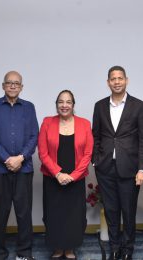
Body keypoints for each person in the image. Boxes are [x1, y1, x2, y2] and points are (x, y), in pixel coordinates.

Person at [92, 65, 143, 260]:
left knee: (128, 211)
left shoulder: (139, 106)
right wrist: (96, 161)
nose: (116, 82)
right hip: (105, 168)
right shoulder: (99, 105)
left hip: (130, 169)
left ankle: (128, 250)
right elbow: (96, 136)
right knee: (111, 211)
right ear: (108, 82)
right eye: (113, 79)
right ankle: (115, 247)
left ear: (126, 80)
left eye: (120, 78)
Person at [0, 71, 39, 260]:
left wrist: (20, 158)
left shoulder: (29, 108)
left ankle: (24, 253)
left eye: (17, 83)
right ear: (3, 85)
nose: (13, 86)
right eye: (9, 83)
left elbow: (34, 136)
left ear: (22, 87)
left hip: (24, 169)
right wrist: (8, 159)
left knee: (24, 214)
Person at [38, 90, 93, 259]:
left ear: (73, 105)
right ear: (56, 105)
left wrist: (74, 175)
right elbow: (42, 152)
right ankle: (57, 247)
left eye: (68, 102)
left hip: (75, 179)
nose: (64, 105)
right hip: (53, 178)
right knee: (54, 214)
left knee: (73, 215)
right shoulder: (47, 122)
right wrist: (58, 173)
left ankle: (70, 248)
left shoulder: (84, 123)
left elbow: (88, 153)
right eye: (61, 102)